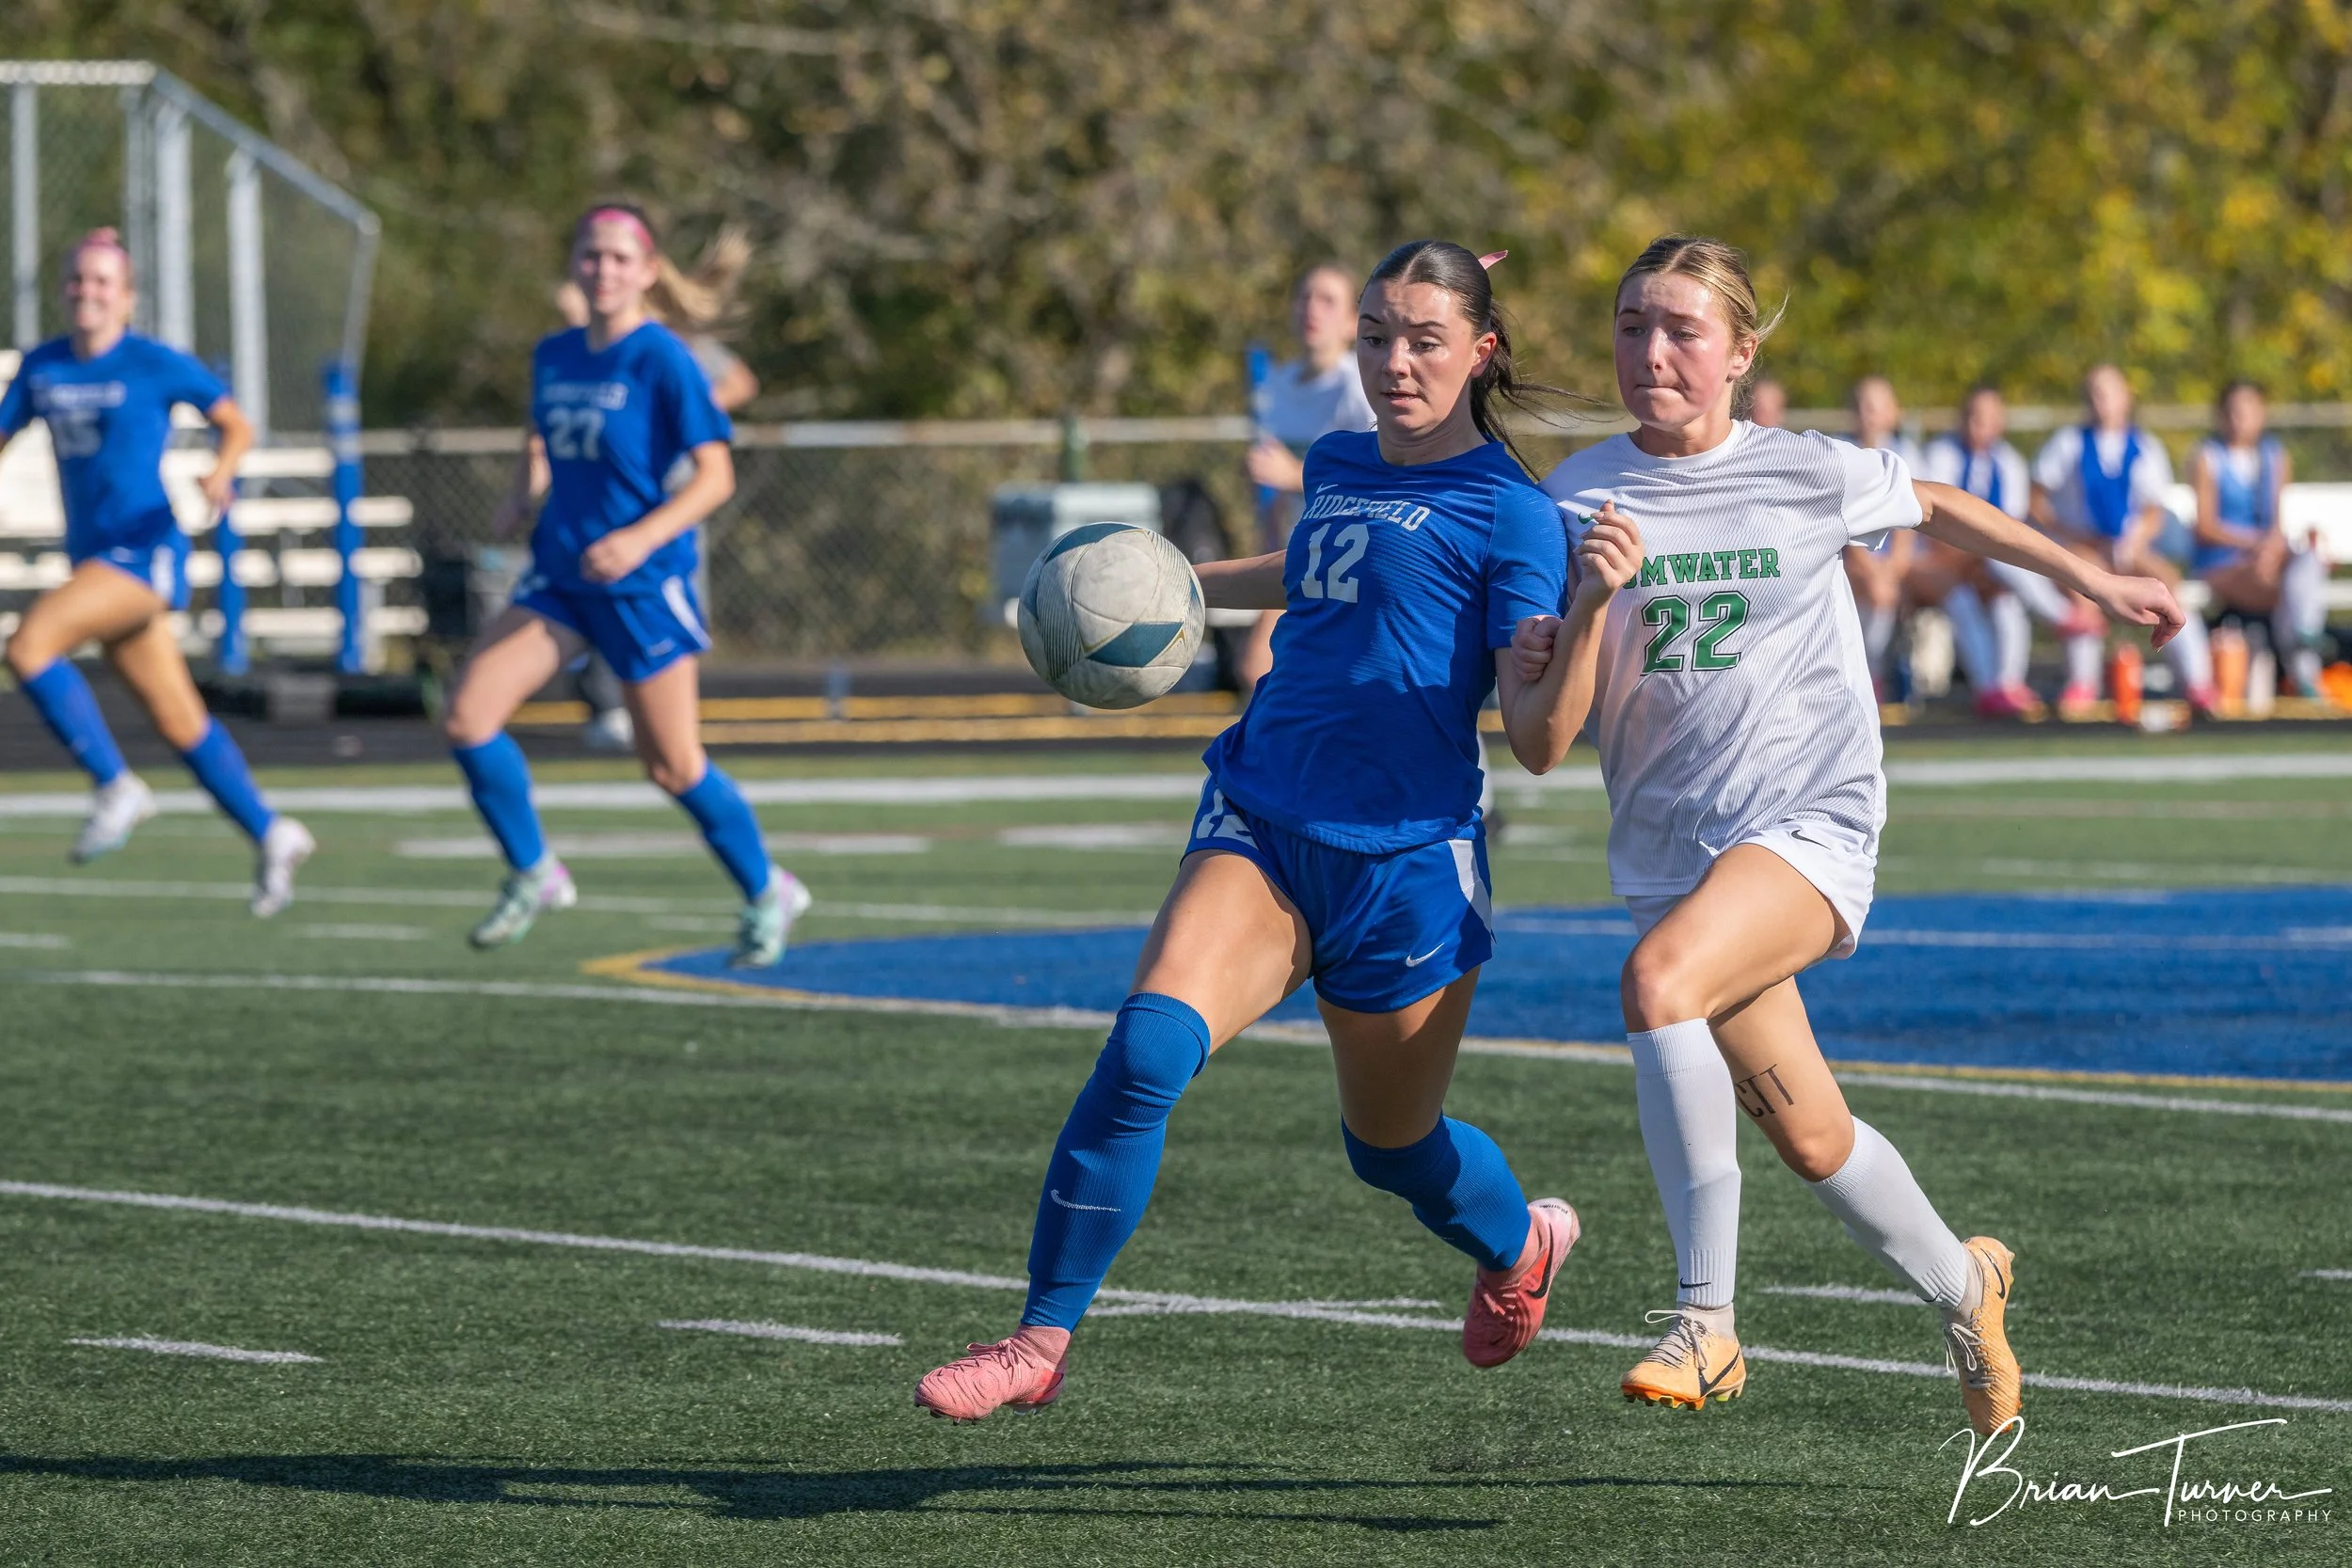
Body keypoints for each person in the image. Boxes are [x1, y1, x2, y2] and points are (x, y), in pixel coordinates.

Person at [915, 240, 1610, 1422]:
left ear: (1481, 350)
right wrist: (1161, 584)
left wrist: (1586, 614)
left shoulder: (1514, 513)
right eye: (1377, 337)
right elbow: (1318, 565)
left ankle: (1520, 1244)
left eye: (1424, 340)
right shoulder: (1336, 458)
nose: (1394, 362)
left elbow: (1540, 740)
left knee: (1390, 1146)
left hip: (1404, 861)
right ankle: (1038, 1337)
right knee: (1146, 1050)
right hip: (1262, 807)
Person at [1526, 235, 2183, 1436]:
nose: (1651, 351)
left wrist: (2087, 581)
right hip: (1670, 852)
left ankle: (1705, 1321)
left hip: (1809, 820)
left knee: (1658, 981)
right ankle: (1965, 1286)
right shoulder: (1570, 498)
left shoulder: (1804, 468)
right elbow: (1540, 736)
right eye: (1630, 326)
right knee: (1811, 1134)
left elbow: (1937, 504)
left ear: (1739, 353)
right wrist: (1578, 611)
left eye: (1680, 329)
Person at [446, 203, 809, 962]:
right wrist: (521, 493)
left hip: (642, 585)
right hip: (560, 574)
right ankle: (534, 870)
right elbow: (542, 437)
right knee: (468, 717)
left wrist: (640, 537)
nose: (602, 269)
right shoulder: (555, 354)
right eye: (590, 255)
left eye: (618, 257)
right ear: (574, 265)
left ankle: (766, 888)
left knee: (671, 765)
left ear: (647, 271)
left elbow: (715, 477)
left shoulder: (664, 359)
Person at [0, 228, 313, 914]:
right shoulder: (44, 367)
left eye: (102, 282)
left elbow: (235, 423)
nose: (87, 292)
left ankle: (115, 785)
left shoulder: (153, 361)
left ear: (128, 297)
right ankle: (271, 831)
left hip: (145, 552)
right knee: (179, 721)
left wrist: (223, 470)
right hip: (94, 559)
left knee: (28, 646)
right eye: (77, 279)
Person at [554, 227, 762, 752]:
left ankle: (663, 717)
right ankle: (610, 706)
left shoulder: (665, 351)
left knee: (660, 611)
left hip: (663, 506)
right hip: (601, 509)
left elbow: (738, 385)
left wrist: (683, 419)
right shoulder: (573, 354)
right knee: (587, 595)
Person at [2030, 364, 2216, 715]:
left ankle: (2197, 681)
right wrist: (2070, 537)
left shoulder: (2145, 446)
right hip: (2082, 546)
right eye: (2094, 394)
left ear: (2126, 398)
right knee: (2083, 587)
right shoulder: (2068, 443)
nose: (2100, 401)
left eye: (2108, 393)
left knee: (2169, 587)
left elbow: (2153, 512)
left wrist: (2133, 542)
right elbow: (2036, 500)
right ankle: (2083, 683)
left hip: (2128, 547)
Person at [1235, 262, 1377, 698]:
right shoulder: (1276, 387)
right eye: (1305, 297)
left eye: (1328, 300)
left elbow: (1380, 479)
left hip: (1355, 555)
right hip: (1299, 553)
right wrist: (1269, 539)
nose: (1312, 309)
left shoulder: (1360, 388)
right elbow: (1273, 492)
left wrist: (1295, 475)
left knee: (1265, 668)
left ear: (1353, 323)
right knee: (1261, 669)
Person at [1917, 385, 2087, 719]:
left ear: (2000, 422)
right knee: (1963, 597)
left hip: (1986, 561)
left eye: (1986, 417)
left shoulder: (2010, 464)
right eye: (1971, 416)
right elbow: (1933, 522)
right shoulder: (1940, 455)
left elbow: (2008, 529)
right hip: (1941, 559)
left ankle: (2005, 686)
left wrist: (1981, 562)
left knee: (2006, 598)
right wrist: (1970, 559)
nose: (1977, 425)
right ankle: (2056, 617)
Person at [2192, 380, 2328, 697]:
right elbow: (2206, 527)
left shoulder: (2274, 455)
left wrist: (2270, 550)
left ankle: (2303, 647)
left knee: (2309, 560)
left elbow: (2276, 524)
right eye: (2233, 411)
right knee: (2290, 590)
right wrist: (2254, 545)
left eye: (2248, 410)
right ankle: (2302, 666)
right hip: (2222, 563)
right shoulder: (2207, 456)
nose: (2240, 419)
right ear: (2222, 415)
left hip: (2262, 561)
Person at [1840, 375, 1922, 696]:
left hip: (1898, 562)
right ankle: (1866, 677)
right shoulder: (1838, 450)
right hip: (1849, 558)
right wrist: (1873, 571)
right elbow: (1841, 523)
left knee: (1963, 595)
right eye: (1862, 406)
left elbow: (1912, 521)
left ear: (1893, 412)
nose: (1868, 415)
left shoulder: (1907, 454)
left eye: (1875, 407)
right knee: (1875, 593)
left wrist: (1894, 568)